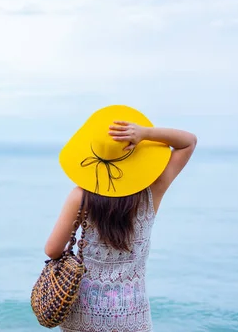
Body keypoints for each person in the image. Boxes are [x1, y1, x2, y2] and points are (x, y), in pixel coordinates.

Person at [44, 105, 197, 332]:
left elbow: (52, 250)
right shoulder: (152, 191)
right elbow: (188, 142)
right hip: (132, 315)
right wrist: (145, 133)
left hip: (84, 313)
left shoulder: (80, 197)